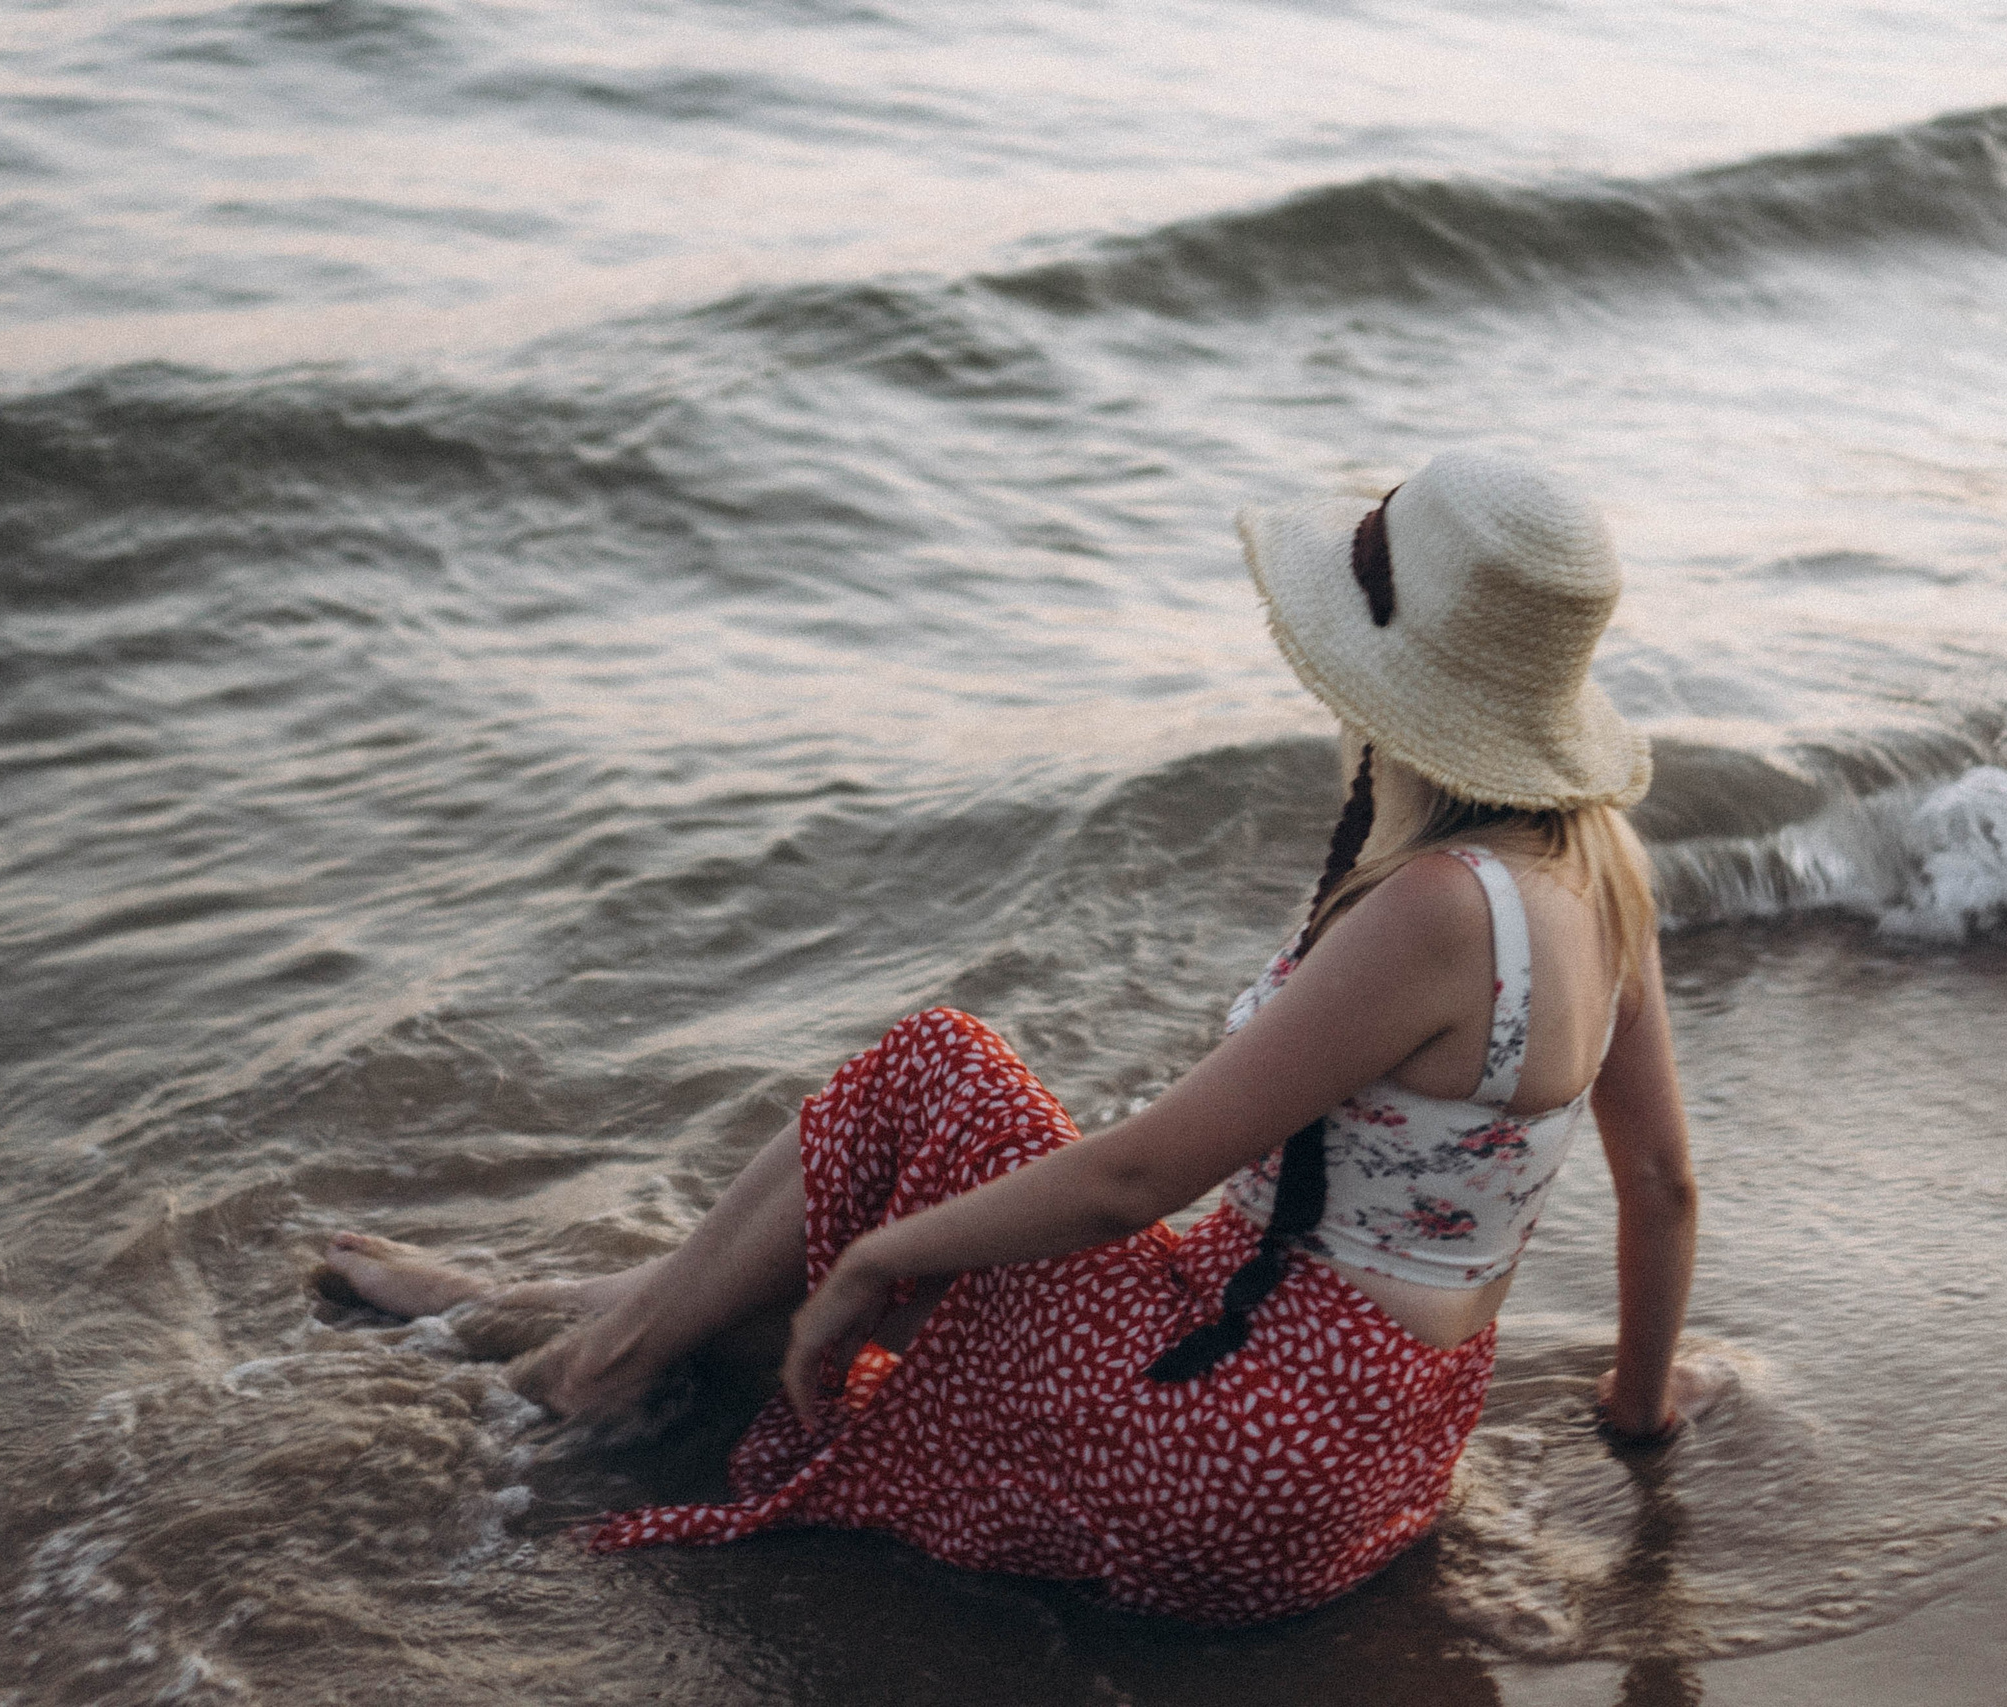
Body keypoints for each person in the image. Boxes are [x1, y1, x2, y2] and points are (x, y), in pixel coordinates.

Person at [319, 448, 1721, 1626]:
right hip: (1382, 1467)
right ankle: (578, 1306)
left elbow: (1135, 1181)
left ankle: (590, 1363)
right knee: (911, 1218)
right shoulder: (1601, 878)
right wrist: (1641, 1414)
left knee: (939, 1078)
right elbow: (1662, 1187)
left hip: (1238, 1460)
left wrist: (883, 1254)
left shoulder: (1433, 909)